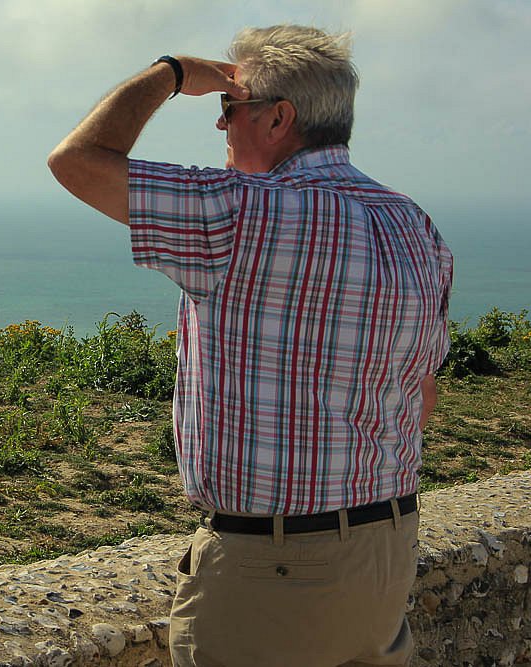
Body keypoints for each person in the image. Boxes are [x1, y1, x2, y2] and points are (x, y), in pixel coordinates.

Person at [48, 25, 452, 667]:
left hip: (275, 565)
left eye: (228, 109)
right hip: (387, 548)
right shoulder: (414, 226)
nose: (220, 128)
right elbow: (421, 393)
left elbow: (77, 160)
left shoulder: (240, 214)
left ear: (278, 119)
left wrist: (173, 72)